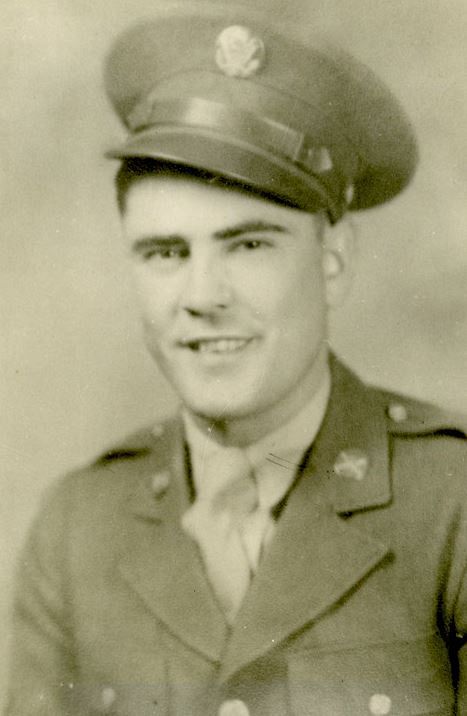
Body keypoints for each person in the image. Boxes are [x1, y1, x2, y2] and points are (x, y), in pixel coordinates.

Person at [5, 4, 467, 715]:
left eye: (248, 245)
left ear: (334, 262)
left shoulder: (450, 505)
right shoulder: (76, 532)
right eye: (165, 253)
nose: (202, 297)